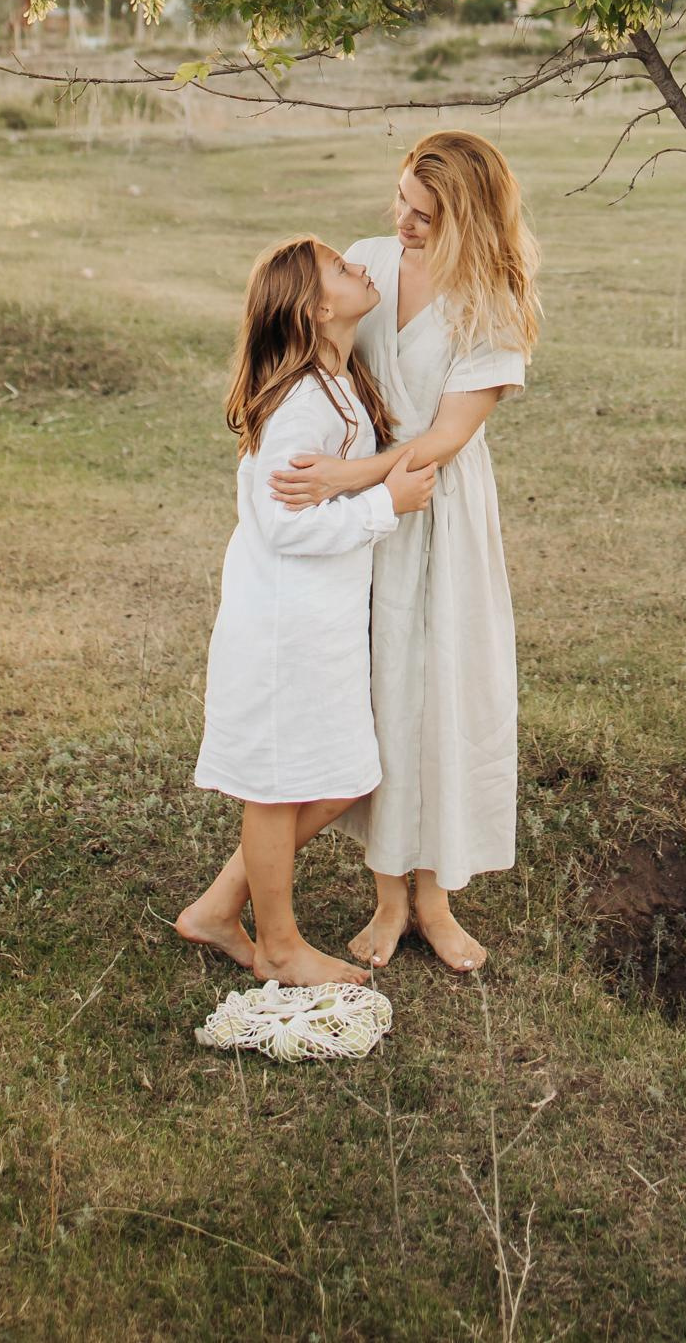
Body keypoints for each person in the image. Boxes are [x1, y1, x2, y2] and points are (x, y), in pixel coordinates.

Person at [270, 130, 538, 973]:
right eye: (399, 204)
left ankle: (436, 898)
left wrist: (350, 474)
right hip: (368, 515)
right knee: (381, 692)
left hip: (439, 509)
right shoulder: (367, 263)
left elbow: (449, 437)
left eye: (424, 216)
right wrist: (326, 468)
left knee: (441, 692)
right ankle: (388, 897)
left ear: (469, 217)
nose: (403, 225)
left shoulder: (492, 299)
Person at [176, 238, 437, 986]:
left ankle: (220, 908)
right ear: (318, 308)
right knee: (281, 784)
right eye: (343, 270)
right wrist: (385, 504)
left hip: (318, 625)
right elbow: (284, 527)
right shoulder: (299, 407)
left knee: (346, 777)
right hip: (283, 628)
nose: (362, 267)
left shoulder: (336, 384)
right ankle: (281, 947)